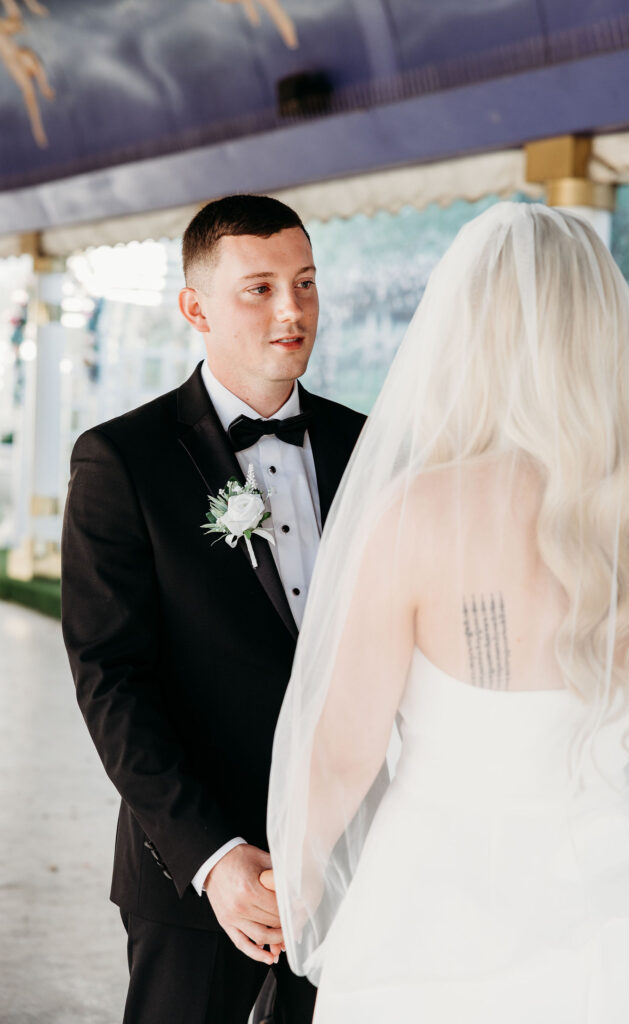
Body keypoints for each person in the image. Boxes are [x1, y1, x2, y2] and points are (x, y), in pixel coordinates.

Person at [267, 202, 629, 1023]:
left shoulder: (420, 514)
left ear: (467, 336)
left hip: (432, 911)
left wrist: (291, 889)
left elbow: (343, 751)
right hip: (608, 917)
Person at [61, 194, 365, 1024]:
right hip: (197, 873)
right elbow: (111, 679)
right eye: (259, 288)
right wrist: (215, 857)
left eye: (304, 284)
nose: (291, 310)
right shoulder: (121, 459)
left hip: (357, 863)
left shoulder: (370, 448)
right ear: (194, 306)